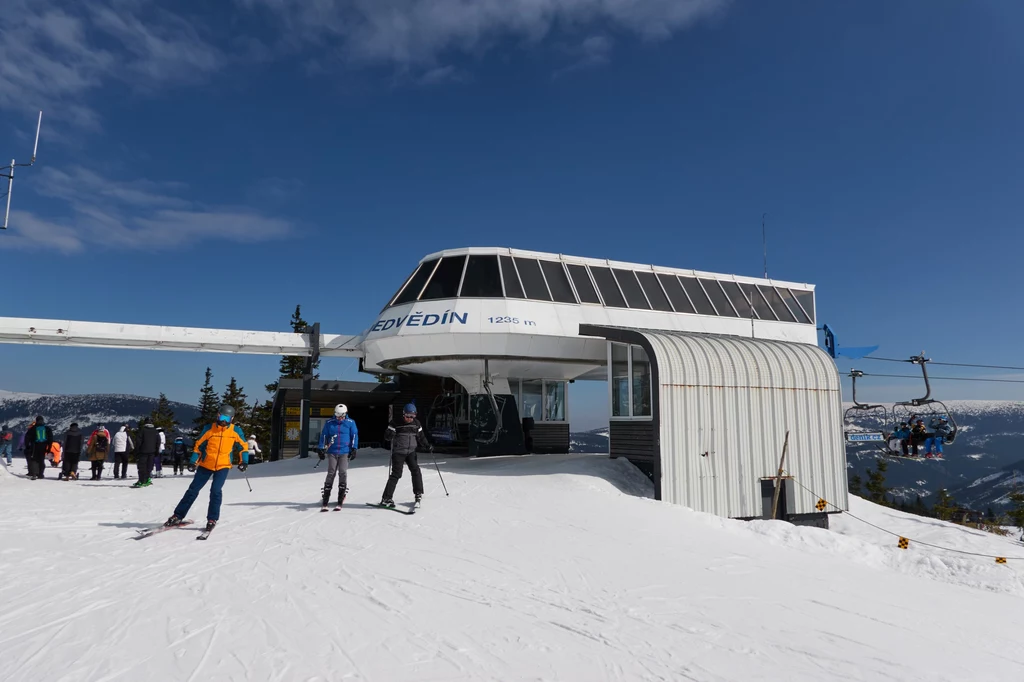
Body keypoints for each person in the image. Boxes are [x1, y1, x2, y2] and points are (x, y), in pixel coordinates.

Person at [163, 405, 249, 535]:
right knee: (193, 490)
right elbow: (198, 446)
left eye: (226, 418)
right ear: (217, 415)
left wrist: (244, 461)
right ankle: (177, 516)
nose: (223, 421)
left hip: (223, 466)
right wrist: (193, 462)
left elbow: (243, 447)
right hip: (205, 465)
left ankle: (212, 519)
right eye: (221, 417)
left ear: (231, 419)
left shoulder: (235, 431)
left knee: (215, 491)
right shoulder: (209, 429)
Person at [380, 403, 431, 508]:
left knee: (416, 471)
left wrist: (427, 445)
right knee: (396, 474)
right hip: (398, 452)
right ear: (403, 414)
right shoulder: (395, 423)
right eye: (408, 416)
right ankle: (386, 498)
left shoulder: (416, 424)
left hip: (411, 452)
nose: (410, 419)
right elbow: (387, 437)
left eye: (412, 416)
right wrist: (391, 434)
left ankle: (418, 493)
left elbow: (421, 437)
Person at [317, 404, 359, 511]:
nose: (339, 417)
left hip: (344, 451)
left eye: (341, 415)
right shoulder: (329, 423)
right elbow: (324, 435)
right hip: (332, 451)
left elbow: (354, 435)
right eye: (337, 414)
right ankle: (326, 497)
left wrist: (354, 448)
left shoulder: (350, 423)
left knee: (343, 472)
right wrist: (321, 448)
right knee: (331, 472)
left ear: (345, 414)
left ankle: (341, 496)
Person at [133, 418, 161, 488]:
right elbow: (158, 441)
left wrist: (136, 451)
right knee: (149, 466)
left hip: (143, 451)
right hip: (152, 451)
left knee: (142, 467)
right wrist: (156, 451)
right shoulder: (155, 431)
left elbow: (138, 441)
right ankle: (147, 479)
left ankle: (141, 481)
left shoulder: (142, 430)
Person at [23, 416, 53, 480]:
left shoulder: (33, 428)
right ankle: (41, 474)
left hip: (34, 446)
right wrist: (49, 448)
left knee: (34, 459)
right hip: (44, 446)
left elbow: (27, 438)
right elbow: (50, 439)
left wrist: (27, 446)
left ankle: (34, 473)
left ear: (36, 421)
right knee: (41, 459)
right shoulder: (47, 429)